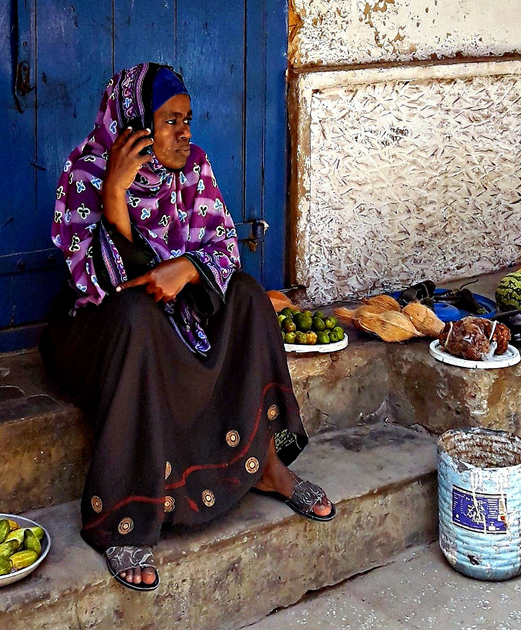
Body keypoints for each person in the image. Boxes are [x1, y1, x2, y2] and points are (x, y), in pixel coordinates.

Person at [40, 63, 335, 592]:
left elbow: (222, 247)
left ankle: (266, 462)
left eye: (188, 119)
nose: (186, 133)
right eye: (171, 120)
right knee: (138, 316)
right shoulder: (85, 175)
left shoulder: (194, 168)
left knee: (247, 295)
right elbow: (105, 286)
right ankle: (126, 516)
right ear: (133, 126)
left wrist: (188, 268)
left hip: (177, 318)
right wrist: (114, 196)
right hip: (100, 331)